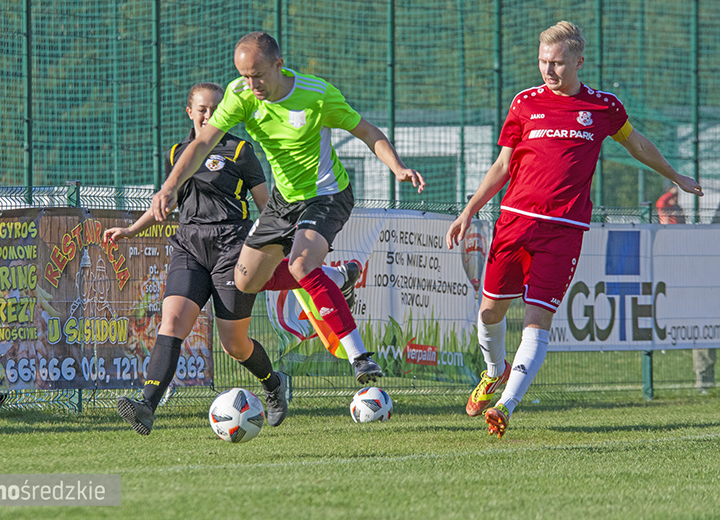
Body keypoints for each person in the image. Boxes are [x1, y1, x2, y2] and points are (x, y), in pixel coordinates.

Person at [446, 21, 703, 438]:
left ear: (579, 62)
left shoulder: (603, 107)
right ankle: (494, 372)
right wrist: (470, 210)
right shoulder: (524, 103)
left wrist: (675, 176)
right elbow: (502, 167)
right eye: (544, 62)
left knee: (537, 321)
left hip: (563, 231)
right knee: (490, 312)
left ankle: (507, 406)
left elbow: (637, 145)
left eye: (558, 63)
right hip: (514, 221)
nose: (549, 71)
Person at [149, 32, 425, 384]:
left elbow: (368, 132)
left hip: (327, 194)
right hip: (285, 199)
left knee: (300, 264)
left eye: (258, 75)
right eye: (245, 76)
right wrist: (170, 185)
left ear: (279, 65)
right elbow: (203, 142)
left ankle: (359, 356)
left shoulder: (316, 95)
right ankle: (340, 277)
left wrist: (397, 167)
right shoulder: (241, 95)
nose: (252, 84)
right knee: (244, 281)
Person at [106, 82, 286, 435]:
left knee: (234, 344)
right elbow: (165, 201)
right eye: (201, 109)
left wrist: (275, 243)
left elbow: (267, 207)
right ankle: (146, 405)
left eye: (215, 109)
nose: (208, 115)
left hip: (232, 248)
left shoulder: (240, 151)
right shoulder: (179, 153)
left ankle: (273, 382)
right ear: (189, 112)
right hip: (188, 246)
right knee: (171, 324)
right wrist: (131, 230)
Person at [656, 186, 715, 391]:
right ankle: (704, 382)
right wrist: (678, 185)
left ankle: (704, 381)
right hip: (697, 285)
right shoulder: (674, 229)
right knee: (705, 328)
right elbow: (663, 202)